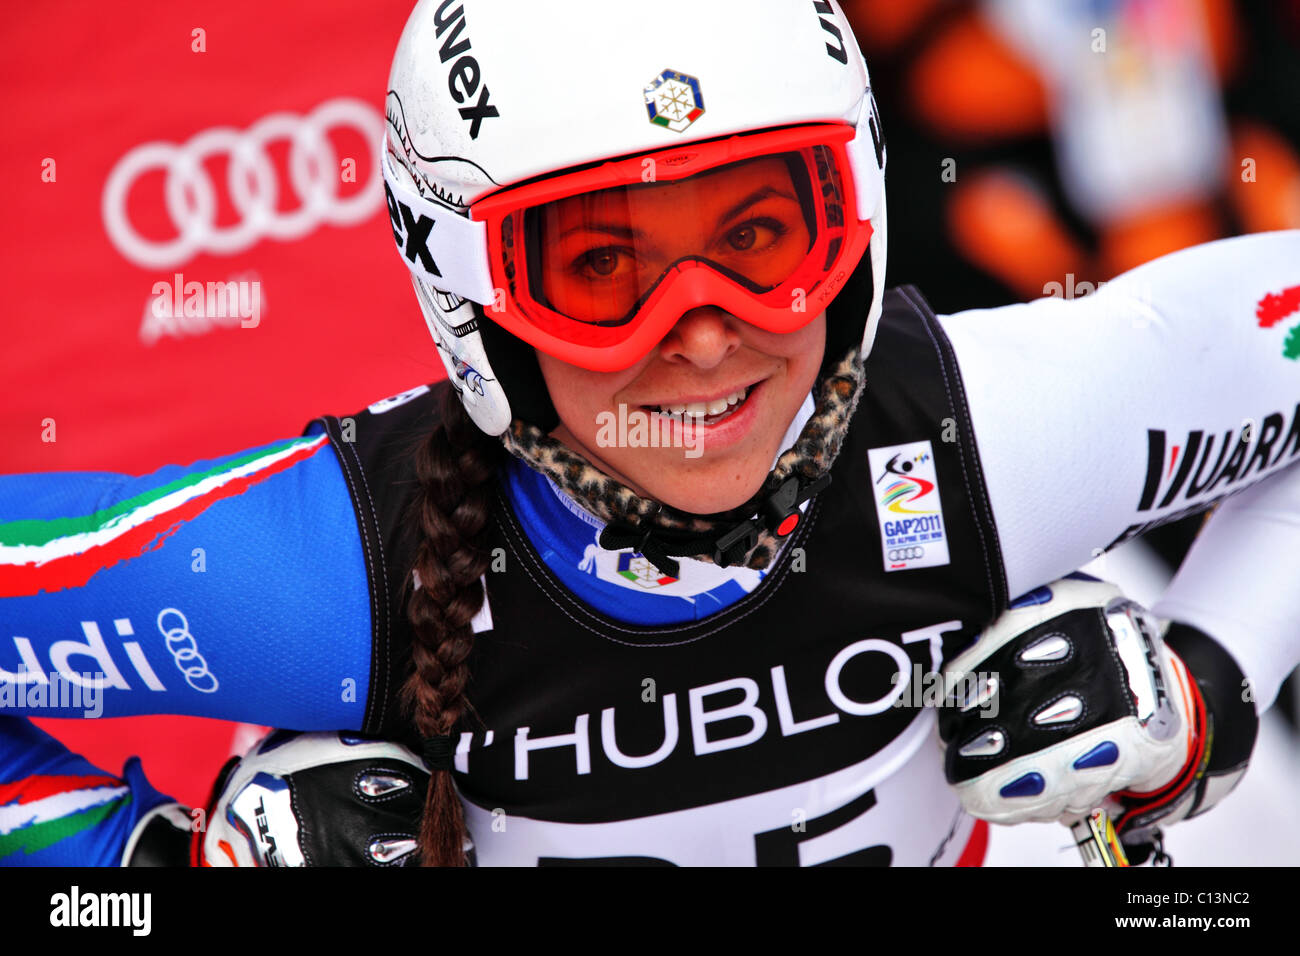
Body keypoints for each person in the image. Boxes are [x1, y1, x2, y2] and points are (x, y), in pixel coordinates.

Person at [2, 0, 1298, 867]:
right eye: (606, 266)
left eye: (758, 238)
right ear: (472, 303)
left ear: (856, 217)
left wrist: (1209, 693)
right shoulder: (341, 577)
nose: (703, 332)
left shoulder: (986, 439)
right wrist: (145, 868)